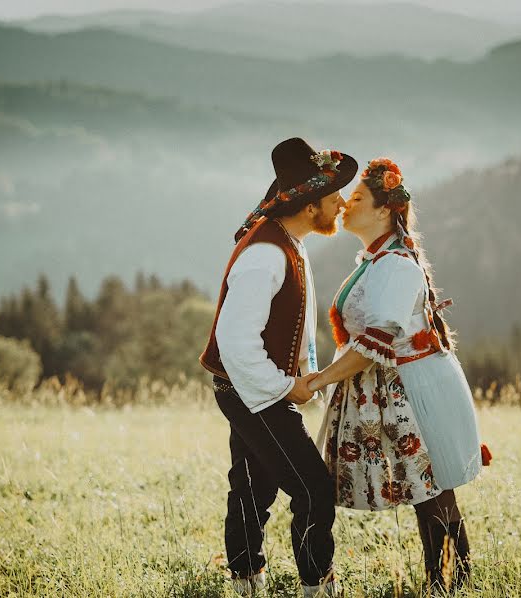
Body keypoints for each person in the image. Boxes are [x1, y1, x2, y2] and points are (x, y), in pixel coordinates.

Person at [307, 157, 491, 593]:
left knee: (433, 490)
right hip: (401, 385)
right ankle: (446, 581)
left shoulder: (395, 266)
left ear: (383, 210)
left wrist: (316, 381)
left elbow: (373, 344)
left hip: (416, 386)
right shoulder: (378, 260)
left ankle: (450, 583)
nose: (345, 205)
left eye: (356, 198)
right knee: (425, 489)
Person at [200, 138, 358, 597]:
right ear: (310, 208)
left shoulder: (289, 241)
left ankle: (247, 578)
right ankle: (316, 585)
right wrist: (287, 389)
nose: (342, 204)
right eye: (333, 198)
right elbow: (234, 342)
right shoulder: (265, 255)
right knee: (312, 489)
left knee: (253, 486)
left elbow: (294, 328)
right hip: (250, 389)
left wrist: (306, 374)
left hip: (255, 385)